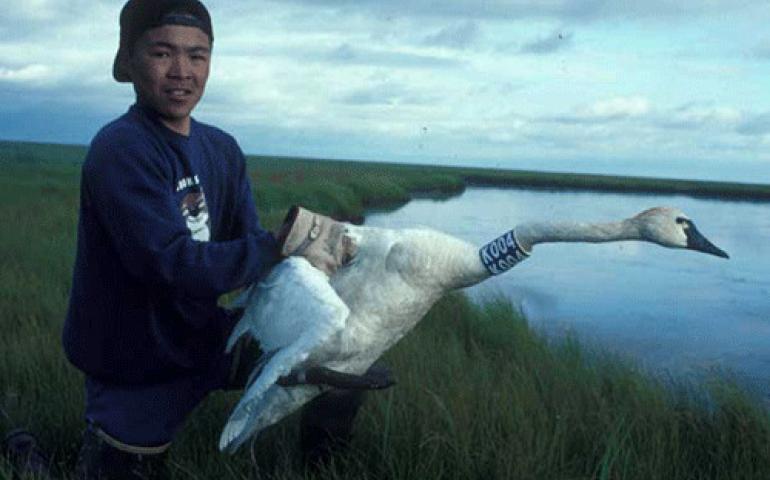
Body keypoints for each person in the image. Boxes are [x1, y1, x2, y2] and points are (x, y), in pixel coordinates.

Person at [54, 1, 365, 478]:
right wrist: (279, 244)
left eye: (197, 56)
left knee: (347, 359)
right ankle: (33, 453)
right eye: (162, 53)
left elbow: (251, 255)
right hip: (136, 358)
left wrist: (320, 272)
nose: (182, 72)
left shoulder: (221, 148)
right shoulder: (120, 149)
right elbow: (170, 264)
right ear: (128, 61)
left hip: (206, 337)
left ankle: (321, 469)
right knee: (119, 470)